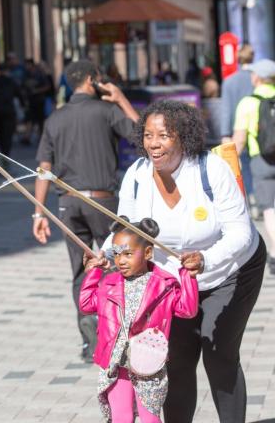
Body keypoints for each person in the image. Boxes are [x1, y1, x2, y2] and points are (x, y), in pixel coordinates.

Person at [102, 100, 265, 423]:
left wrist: (206, 259)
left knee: (218, 354)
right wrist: (104, 254)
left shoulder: (210, 169)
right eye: (148, 135)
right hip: (172, 282)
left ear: (182, 137)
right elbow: (126, 232)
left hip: (230, 271)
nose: (154, 143)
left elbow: (240, 232)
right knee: (175, 361)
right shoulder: (136, 175)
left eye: (163, 135)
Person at [33, 59, 139, 363]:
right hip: (102, 201)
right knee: (119, 266)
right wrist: (120, 98)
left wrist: (39, 213)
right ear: (92, 79)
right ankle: (118, 335)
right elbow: (141, 136)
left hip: (67, 204)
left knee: (81, 272)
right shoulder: (106, 111)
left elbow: (43, 169)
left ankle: (89, 342)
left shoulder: (55, 118)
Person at [80, 217, 198, 423]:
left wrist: (188, 276)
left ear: (148, 252)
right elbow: (86, 304)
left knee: (150, 417)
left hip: (148, 362)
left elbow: (187, 310)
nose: (121, 261)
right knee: (121, 417)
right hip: (116, 363)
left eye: (128, 254)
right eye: (116, 254)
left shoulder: (164, 284)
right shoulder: (109, 283)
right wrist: (94, 272)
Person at [232, 59, 275, 274]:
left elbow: (239, 139)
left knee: (268, 208)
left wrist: (229, 162)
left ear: (256, 77)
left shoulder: (248, 103)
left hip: (261, 160)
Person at [221, 44, 255, 201]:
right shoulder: (258, 79)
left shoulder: (229, 81)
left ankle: (252, 197)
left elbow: (226, 109)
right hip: (259, 129)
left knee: (245, 166)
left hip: (237, 129)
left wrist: (225, 133)